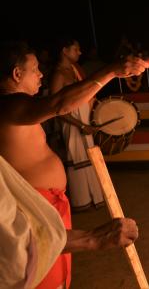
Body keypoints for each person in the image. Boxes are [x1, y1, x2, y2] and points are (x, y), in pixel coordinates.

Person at [0, 41, 149, 288]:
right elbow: (58, 104)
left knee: (58, 274)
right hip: (33, 211)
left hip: (49, 207)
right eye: (35, 69)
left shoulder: (18, 106)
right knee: (42, 276)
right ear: (17, 74)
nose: (41, 74)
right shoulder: (8, 106)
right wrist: (111, 71)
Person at [0, 154, 139, 288]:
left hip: (45, 218)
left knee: (59, 277)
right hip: (35, 218)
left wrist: (91, 237)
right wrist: (92, 238)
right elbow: (16, 249)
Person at [50, 39, 104, 212]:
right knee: (79, 160)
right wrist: (80, 125)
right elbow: (56, 109)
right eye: (76, 49)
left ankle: (96, 197)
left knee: (91, 157)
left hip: (85, 123)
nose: (79, 52)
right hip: (73, 125)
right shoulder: (58, 75)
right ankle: (83, 201)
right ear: (64, 50)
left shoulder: (75, 70)